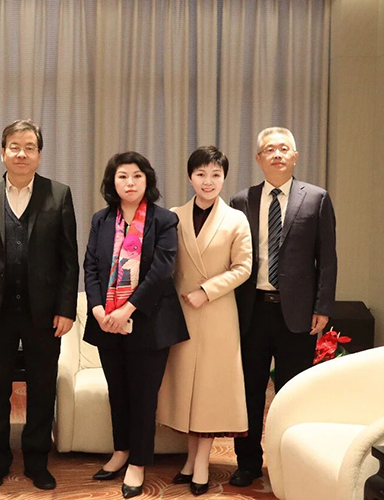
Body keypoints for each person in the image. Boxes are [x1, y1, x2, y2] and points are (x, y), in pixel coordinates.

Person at [0, 119, 79, 491]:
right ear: (3, 152)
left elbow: (69, 260)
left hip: (44, 314)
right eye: (15, 146)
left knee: (42, 389)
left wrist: (66, 308)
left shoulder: (59, 194)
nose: (22, 153)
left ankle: (37, 461)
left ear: (39, 154)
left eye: (30, 147)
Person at [228, 127, 337, 487]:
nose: (277, 154)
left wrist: (322, 306)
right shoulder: (241, 200)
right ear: (258, 159)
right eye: (269, 150)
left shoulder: (316, 198)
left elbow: (327, 258)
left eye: (284, 149)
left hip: (298, 313)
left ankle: (287, 463)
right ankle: (247, 463)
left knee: (291, 394)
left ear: (295, 156)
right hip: (251, 311)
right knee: (249, 391)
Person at [83, 151, 189, 499]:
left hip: (148, 321)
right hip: (106, 321)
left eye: (137, 176)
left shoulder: (164, 220)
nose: (130, 183)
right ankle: (121, 451)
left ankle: (139, 462)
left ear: (148, 181)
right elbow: (91, 266)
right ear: (112, 182)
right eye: (122, 176)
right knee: (118, 392)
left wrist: (127, 309)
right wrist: (98, 309)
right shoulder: (101, 219)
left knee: (144, 396)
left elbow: (162, 271)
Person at [156, 146, 252, 496]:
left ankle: (201, 464)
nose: (208, 181)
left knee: (210, 391)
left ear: (224, 178)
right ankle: (188, 460)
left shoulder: (236, 219)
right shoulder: (173, 216)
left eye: (215, 174)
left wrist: (207, 291)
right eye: (201, 174)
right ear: (190, 177)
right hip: (180, 313)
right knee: (187, 391)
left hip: (217, 313)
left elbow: (243, 267)